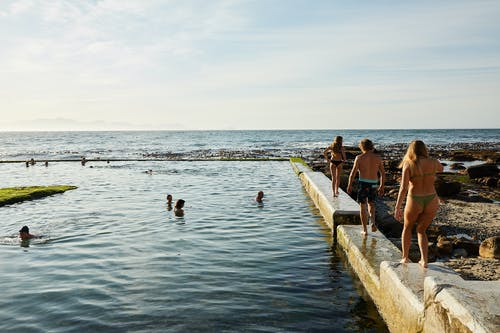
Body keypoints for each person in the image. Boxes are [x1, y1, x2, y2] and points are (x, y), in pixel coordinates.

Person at [394, 140, 443, 268]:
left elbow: (403, 188)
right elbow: (441, 168)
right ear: (424, 149)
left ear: (411, 150)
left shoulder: (408, 164)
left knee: (407, 228)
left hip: (415, 198)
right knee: (421, 230)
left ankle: (405, 258)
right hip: (431, 199)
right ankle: (424, 260)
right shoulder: (433, 162)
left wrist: (398, 207)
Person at [347, 139, 385, 236]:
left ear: (362, 147)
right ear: (371, 146)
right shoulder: (378, 158)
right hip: (374, 184)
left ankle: (365, 230)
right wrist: (381, 185)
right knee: (371, 204)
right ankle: (372, 221)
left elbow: (353, 173)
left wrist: (349, 185)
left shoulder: (359, 157)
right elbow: (383, 174)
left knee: (363, 206)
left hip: (363, 184)